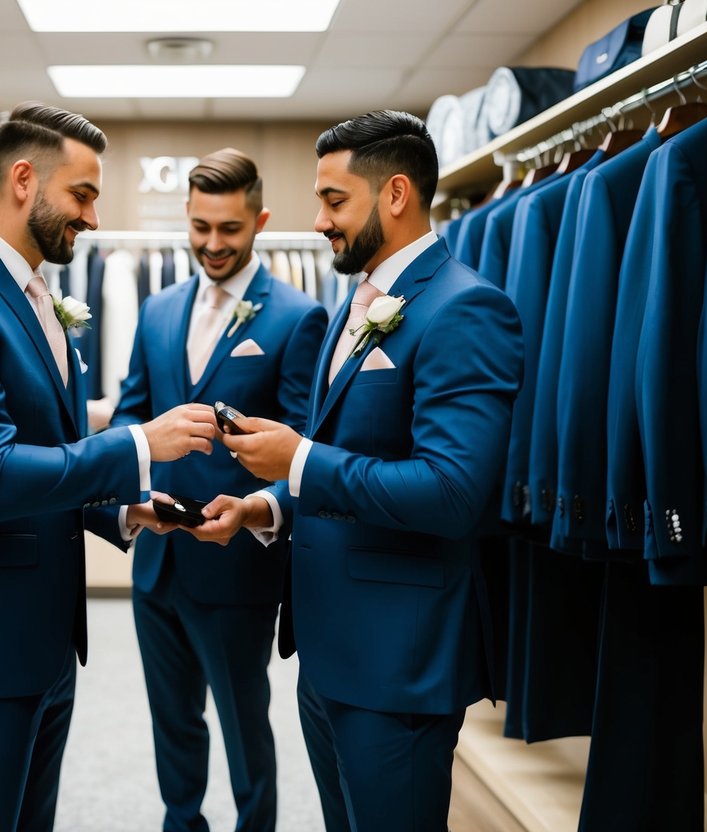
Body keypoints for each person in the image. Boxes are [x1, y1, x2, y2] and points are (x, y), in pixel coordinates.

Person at [0, 101, 218, 832]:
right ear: (24, 180)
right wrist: (137, 445)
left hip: (42, 643)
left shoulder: (39, 296)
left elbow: (46, 452)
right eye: (83, 194)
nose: (93, 218)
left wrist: (126, 509)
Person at [194, 111, 524, 830]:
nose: (318, 221)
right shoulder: (355, 302)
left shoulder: (466, 308)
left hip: (398, 659)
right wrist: (264, 506)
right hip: (328, 651)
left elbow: (452, 492)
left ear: (395, 193)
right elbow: (342, 451)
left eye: (334, 200)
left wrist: (299, 458)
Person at [110, 148, 327, 832]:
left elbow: (302, 448)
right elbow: (130, 411)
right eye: (200, 226)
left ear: (259, 221)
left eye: (229, 228)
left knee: (242, 724)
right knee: (172, 723)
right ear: (186, 215)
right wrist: (130, 488)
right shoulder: (156, 309)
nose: (212, 243)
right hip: (157, 561)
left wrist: (259, 509)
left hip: (237, 566)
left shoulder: (297, 316)